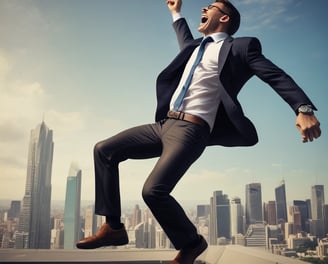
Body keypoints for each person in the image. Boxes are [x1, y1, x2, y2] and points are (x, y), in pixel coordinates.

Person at [76, 0, 321, 263]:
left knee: (153, 191)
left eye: (210, 6)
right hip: (164, 124)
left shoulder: (241, 47)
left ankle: (192, 244)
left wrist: (303, 108)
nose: (203, 9)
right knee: (105, 150)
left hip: (192, 129)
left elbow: (276, 76)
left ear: (224, 18)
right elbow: (183, 35)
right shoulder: (194, 47)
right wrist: (175, 12)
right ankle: (113, 227)